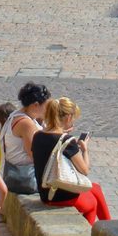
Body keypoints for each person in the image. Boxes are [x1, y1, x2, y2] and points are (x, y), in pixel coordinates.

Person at [30, 97, 111, 226]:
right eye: (73, 118)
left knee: (95, 188)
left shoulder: (37, 135)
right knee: (92, 203)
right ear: (68, 117)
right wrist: (84, 150)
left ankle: (109, 226)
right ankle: (94, 235)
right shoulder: (67, 141)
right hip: (59, 196)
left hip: (45, 192)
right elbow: (84, 170)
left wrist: (62, 134)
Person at [0, 82, 49, 195]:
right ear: (35, 105)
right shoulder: (26, 124)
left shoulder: (16, 115)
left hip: (14, 172)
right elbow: (34, 154)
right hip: (26, 178)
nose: (47, 109)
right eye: (46, 105)